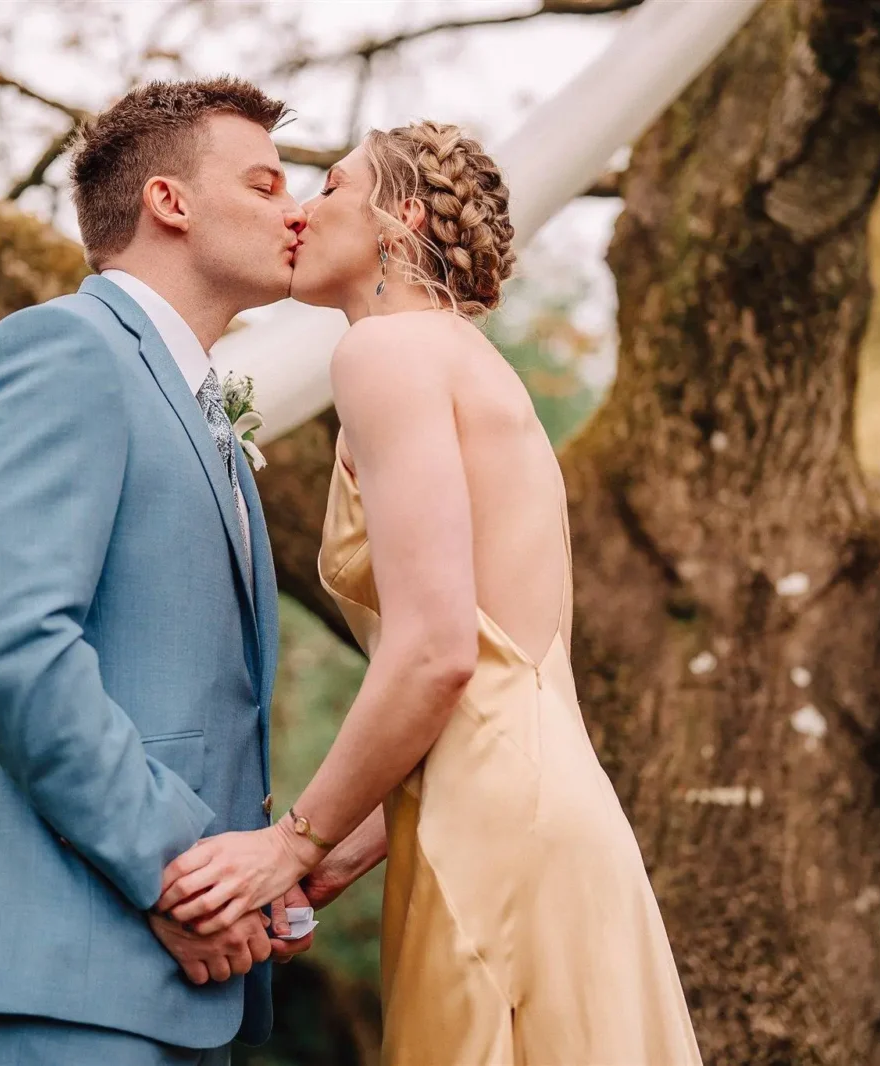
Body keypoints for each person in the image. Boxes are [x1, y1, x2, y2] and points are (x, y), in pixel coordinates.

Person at [155, 121, 705, 1064]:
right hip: (541, 809)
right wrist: (344, 850)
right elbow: (491, 676)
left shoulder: (387, 355)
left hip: (493, 839)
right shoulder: (465, 364)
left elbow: (437, 650)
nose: (298, 209)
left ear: (398, 218)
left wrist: (288, 844)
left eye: (328, 186)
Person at [0, 77, 313, 1066]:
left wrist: (257, 876)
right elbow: (10, 647)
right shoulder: (62, 352)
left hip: (170, 982)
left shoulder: (201, 407)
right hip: (56, 971)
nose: (294, 211)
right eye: (263, 184)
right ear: (170, 201)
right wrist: (181, 875)